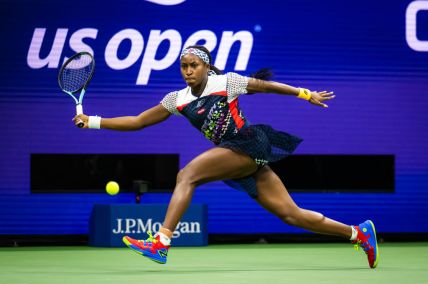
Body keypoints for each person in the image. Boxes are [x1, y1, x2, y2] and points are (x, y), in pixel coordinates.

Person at [73, 45, 379, 268]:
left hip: (247, 145)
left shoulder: (226, 82)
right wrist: (94, 121)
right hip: (237, 157)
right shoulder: (176, 100)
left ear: (206, 67)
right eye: (184, 66)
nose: (188, 70)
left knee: (187, 175)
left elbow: (266, 86)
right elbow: (138, 121)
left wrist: (304, 93)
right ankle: (357, 233)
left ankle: (162, 241)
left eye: (194, 65)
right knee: (291, 215)